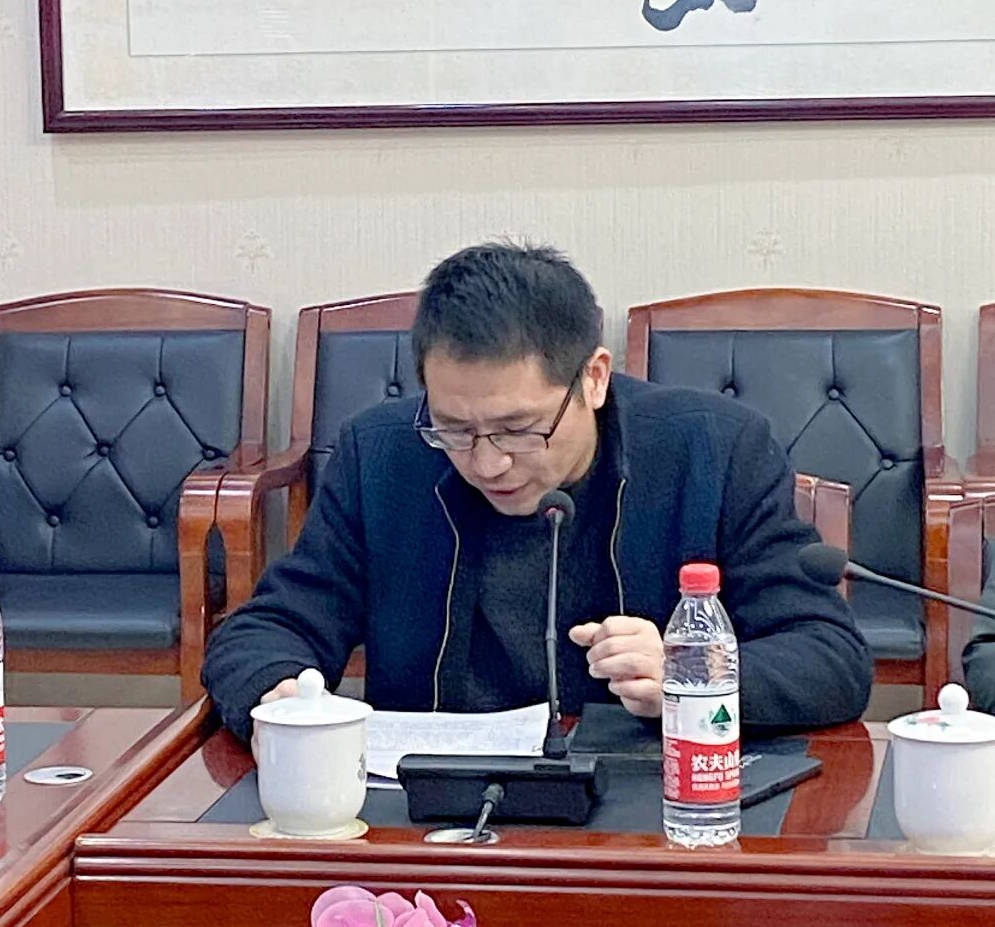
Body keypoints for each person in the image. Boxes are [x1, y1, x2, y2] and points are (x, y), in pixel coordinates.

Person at [203, 242, 873, 742]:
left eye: (520, 430)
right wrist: (277, 696)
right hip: (431, 816)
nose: (488, 462)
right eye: (454, 429)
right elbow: (268, 628)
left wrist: (692, 673)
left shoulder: (714, 451)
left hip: (650, 805)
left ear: (594, 378)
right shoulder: (381, 455)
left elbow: (830, 658)